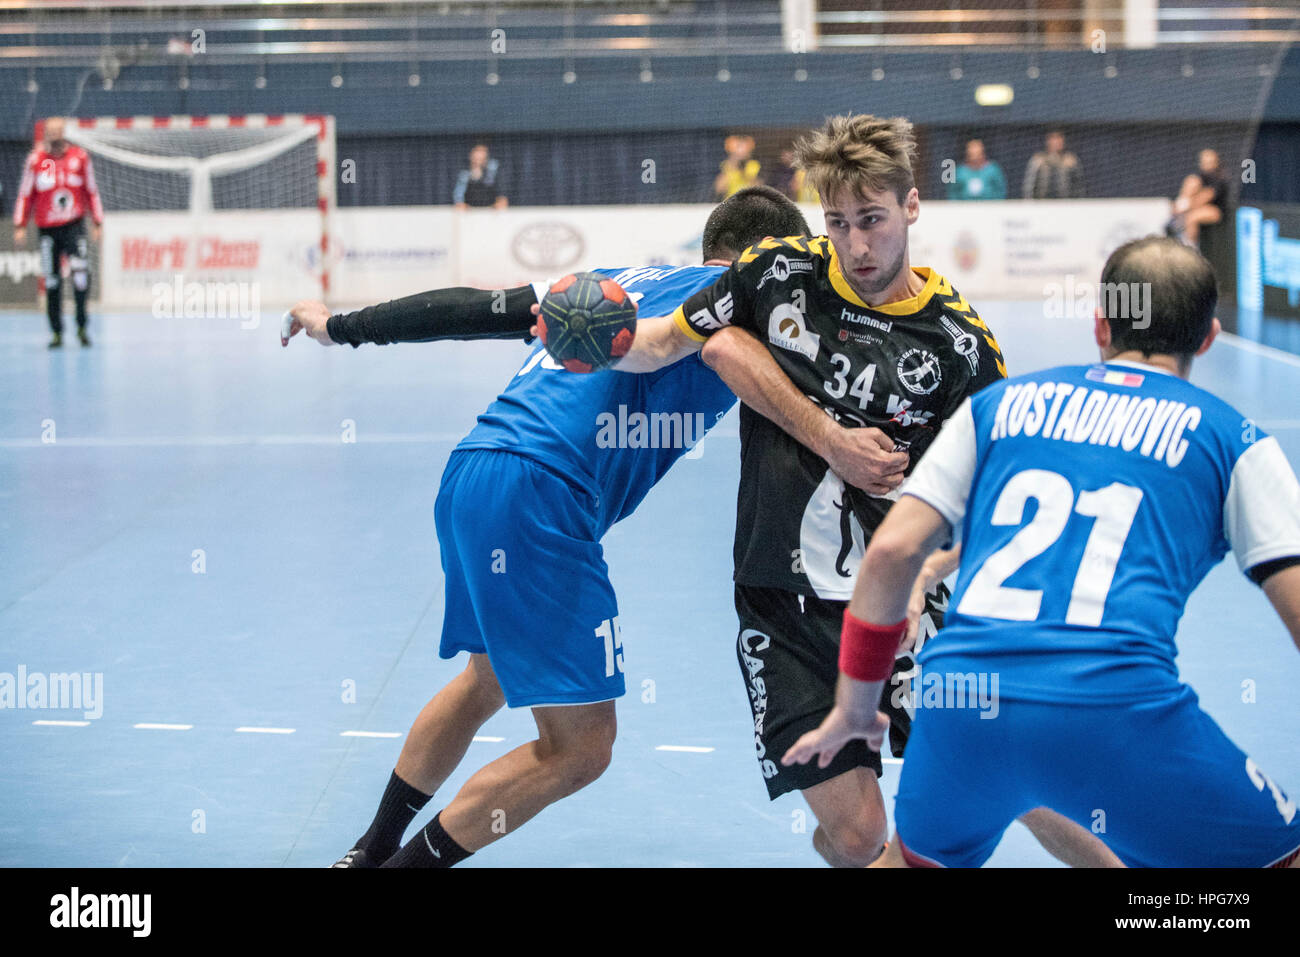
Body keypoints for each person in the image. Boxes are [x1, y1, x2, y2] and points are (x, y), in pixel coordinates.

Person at [608, 114, 1118, 867]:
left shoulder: (960, 346)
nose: (856, 244)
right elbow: (671, 344)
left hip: (900, 606)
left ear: (912, 206)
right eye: (838, 222)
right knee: (854, 833)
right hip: (782, 605)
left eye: (873, 220)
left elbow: (994, 501)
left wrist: (933, 574)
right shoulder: (777, 274)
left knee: (1017, 774)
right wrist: (592, 339)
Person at [283, 185, 814, 867]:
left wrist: (341, 326)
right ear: (764, 254)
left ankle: (368, 851)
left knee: (489, 678)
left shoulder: (610, 280)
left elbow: (469, 309)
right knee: (582, 746)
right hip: (543, 489)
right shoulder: (743, 292)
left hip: (475, 468)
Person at [785, 236, 1300, 868]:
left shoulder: (998, 407)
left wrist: (855, 710)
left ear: (1100, 325)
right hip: (1115, 709)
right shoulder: (1235, 440)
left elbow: (891, 553)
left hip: (962, 704)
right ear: (1208, 339)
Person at [13, 116, 104, 348]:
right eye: (50, 131)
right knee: (52, 282)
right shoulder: (38, 160)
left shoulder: (80, 157)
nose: (54, 135)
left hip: (74, 227)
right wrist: (20, 225)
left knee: (81, 277)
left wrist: (97, 221)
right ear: (45, 133)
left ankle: (82, 326)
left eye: (58, 131)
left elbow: (91, 190)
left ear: (64, 132)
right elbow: (26, 194)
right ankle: (56, 332)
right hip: (48, 231)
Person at [1167, 148, 1229, 248]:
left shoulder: (1219, 179)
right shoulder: (1198, 177)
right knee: (1191, 181)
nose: (1206, 164)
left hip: (1216, 211)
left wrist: (1185, 208)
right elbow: (1190, 190)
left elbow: (1206, 197)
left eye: (1209, 161)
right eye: (1204, 161)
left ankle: (1191, 250)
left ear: (1216, 162)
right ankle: (1179, 213)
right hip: (1193, 207)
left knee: (1192, 217)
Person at [1022, 130, 1085, 200]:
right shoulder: (1038, 160)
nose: (1056, 142)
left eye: (1059, 138)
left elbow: (1079, 187)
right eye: (1053, 138)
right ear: (1047, 141)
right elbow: (1028, 186)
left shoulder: (1071, 160)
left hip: (1066, 204)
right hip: (1041, 204)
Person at [453, 143, 508, 210]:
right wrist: (460, 202)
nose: (478, 160)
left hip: (491, 209)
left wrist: (501, 199)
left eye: (481, 158)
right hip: (470, 210)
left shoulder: (494, 168)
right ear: (471, 156)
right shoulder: (465, 172)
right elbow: (459, 193)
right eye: (476, 158)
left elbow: (502, 191)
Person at [714, 135, 761, 200]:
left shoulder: (754, 165)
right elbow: (719, 189)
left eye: (743, 148)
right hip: (730, 202)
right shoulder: (726, 165)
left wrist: (745, 172)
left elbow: (758, 188)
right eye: (738, 148)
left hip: (749, 202)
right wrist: (731, 167)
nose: (740, 152)